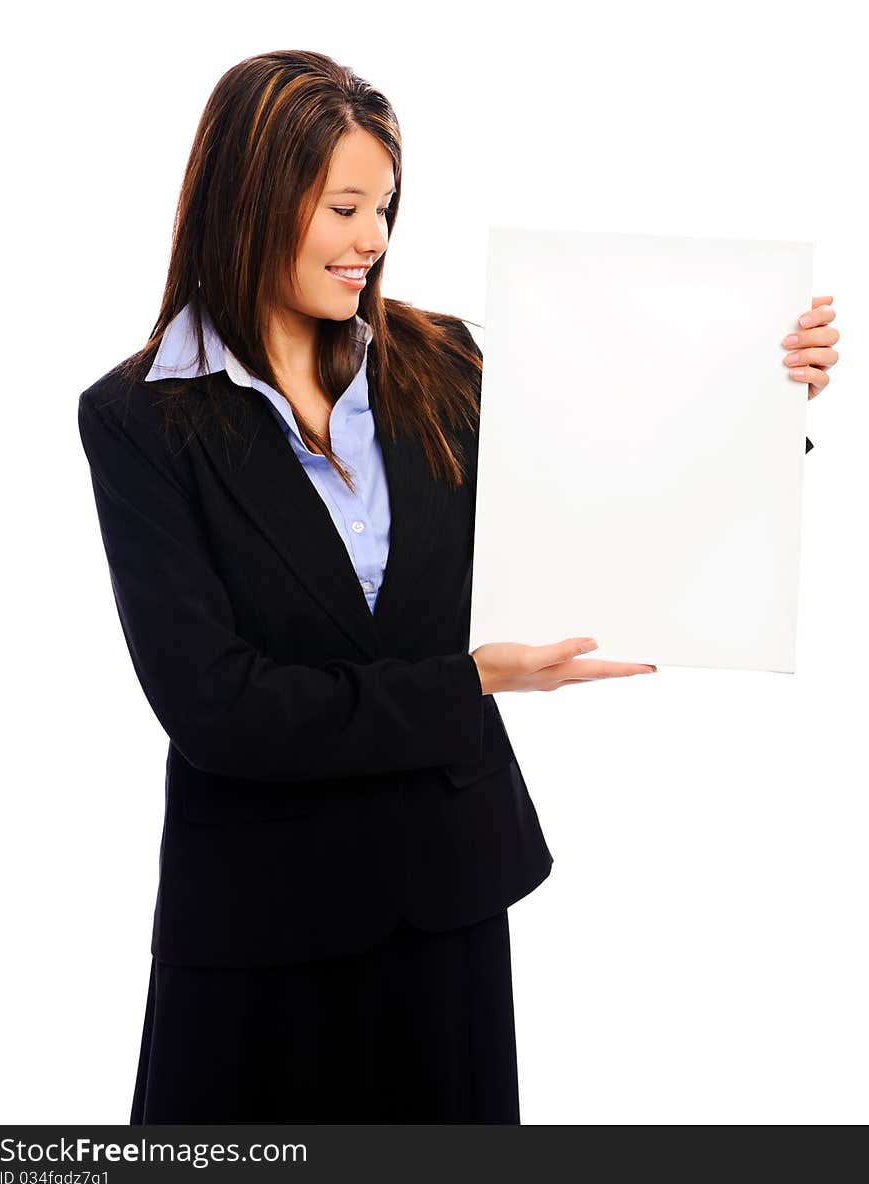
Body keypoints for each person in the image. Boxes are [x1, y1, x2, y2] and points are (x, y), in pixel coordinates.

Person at [77, 50, 838, 1126]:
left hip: (445, 904)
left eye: (383, 206)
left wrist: (766, 405)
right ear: (250, 200)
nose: (373, 241)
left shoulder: (444, 366)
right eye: (343, 207)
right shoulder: (139, 418)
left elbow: (614, 490)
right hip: (256, 927)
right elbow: (219, 709)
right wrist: (466, 682)